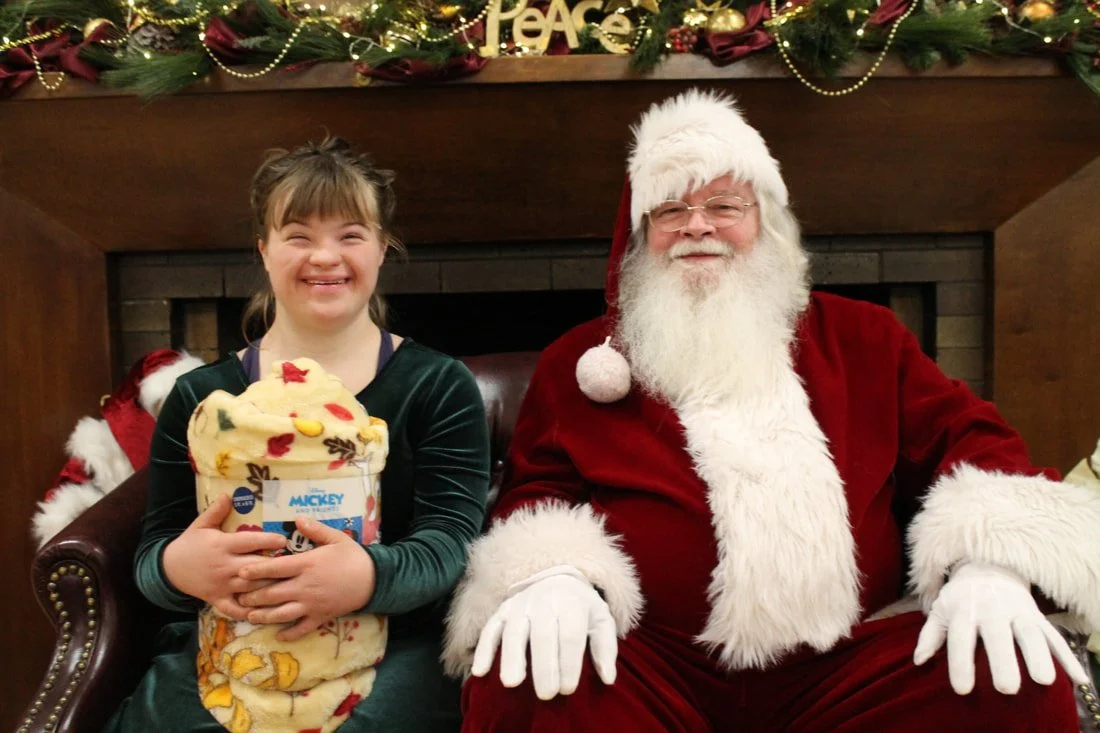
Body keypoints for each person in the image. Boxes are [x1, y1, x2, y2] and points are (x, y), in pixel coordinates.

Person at [444, 90, 1100, 732]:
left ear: (767, 221)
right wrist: (554, 573)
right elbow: (537, 490)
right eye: (671, 210)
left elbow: (973, 439)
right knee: (525, 676)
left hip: (846, 665)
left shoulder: (867, 339)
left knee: (1009, 672)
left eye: (724, 205)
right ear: (644, 236)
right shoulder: (579, 362)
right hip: (651, 666)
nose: (697, 225)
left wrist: (987, 562)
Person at [104, 136, 490, 732]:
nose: (325, 257)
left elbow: (452, 544)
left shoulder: (438, 385)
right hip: (229, 649)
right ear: (264, 250)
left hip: (394, 644)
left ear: (383, 249)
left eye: (351, 235)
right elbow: (154, 555)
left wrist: (366, 577)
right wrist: (182, 568)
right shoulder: (204, 399)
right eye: (299, 235)